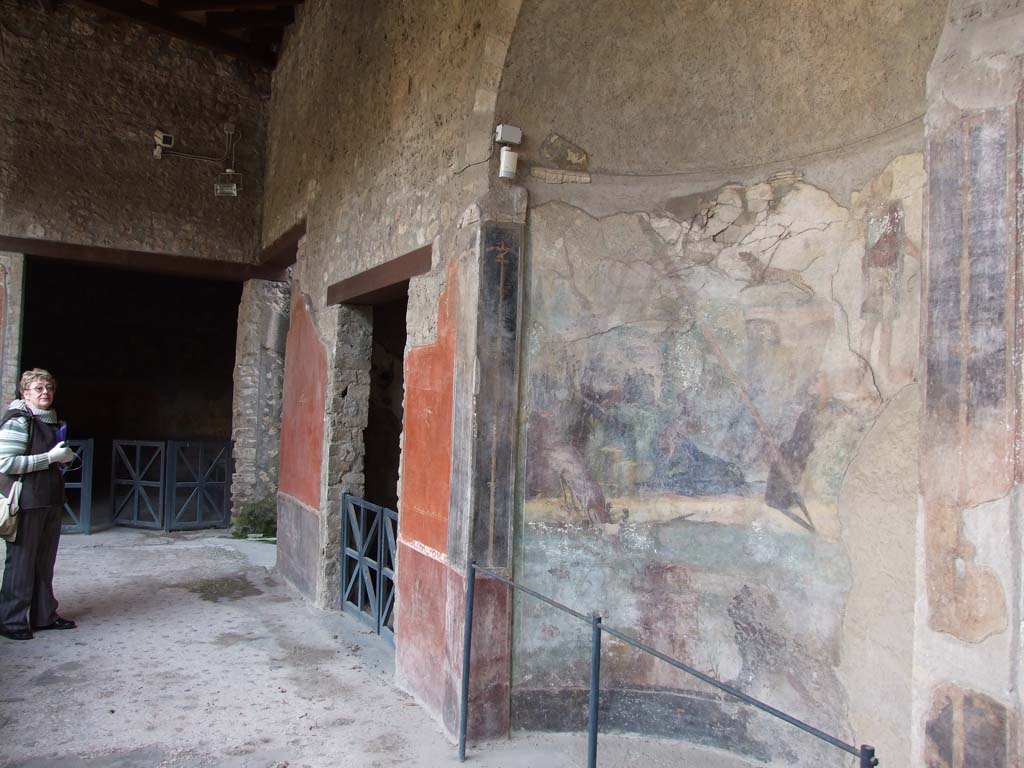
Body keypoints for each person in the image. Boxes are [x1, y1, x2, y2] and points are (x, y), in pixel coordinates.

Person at [0, 369, 76, 640]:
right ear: (25, 393)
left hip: (49, 500)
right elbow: (5, 463)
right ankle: (11, 620)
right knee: (21, 562)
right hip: (27, 502)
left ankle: (44, 615)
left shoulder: (50, 420)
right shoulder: (19, 421)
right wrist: (50, 458)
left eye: (49, 388)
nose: (46, 392)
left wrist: (63, 460)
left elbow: (51, 461)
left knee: (44, 562)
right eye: (39, 388)